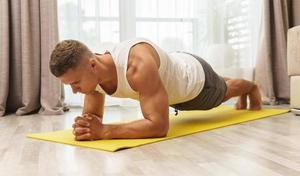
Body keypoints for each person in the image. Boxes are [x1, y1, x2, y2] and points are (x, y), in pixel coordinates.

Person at [49, 38, 261, 141]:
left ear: (92, 65)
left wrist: (105, 131)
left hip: (196, 83)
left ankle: (251, 88)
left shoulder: (137, 65)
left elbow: (159, 126)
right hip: (173, 72)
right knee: (222, 83)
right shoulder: (92, 70)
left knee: (224, 90)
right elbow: (92, 117)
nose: (74, 91)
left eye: (75, 83)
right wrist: (87, 126)